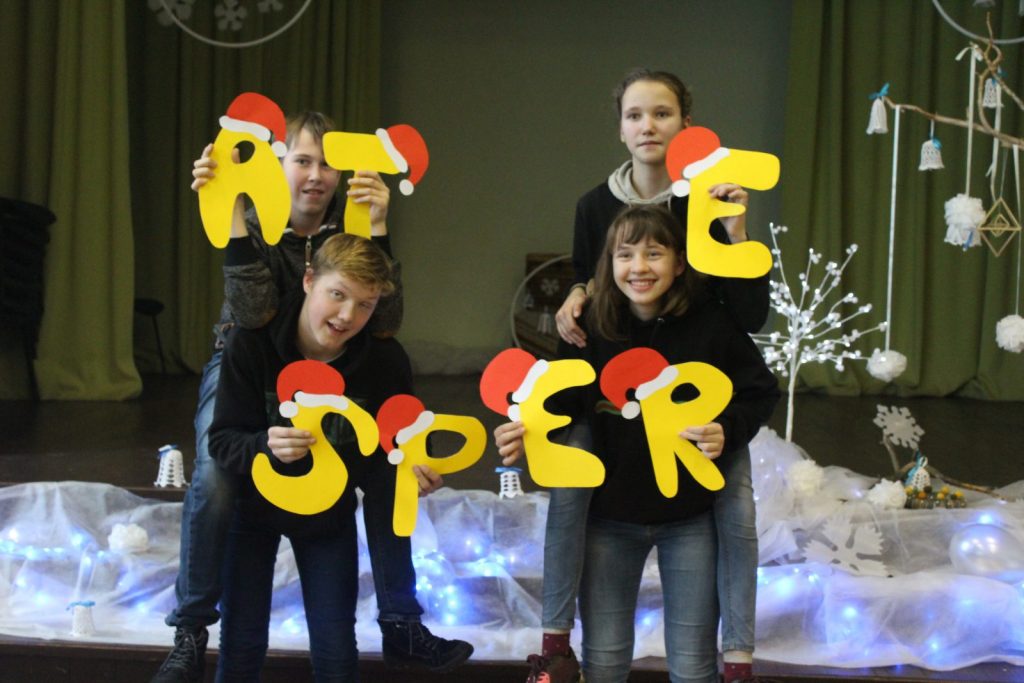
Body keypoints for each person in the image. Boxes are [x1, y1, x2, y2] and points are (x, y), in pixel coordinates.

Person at [152, 112, 472, 682]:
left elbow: (382, 319)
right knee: (215, 475)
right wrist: (227, 200)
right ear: (279, 165)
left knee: (391, 467)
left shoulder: (350, 231)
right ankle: (190, 630)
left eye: (328, 164)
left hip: (332, 369)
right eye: (303, 160)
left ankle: (401, 621)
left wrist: (377, 226)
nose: (317, 174)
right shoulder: (254, 219)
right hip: (249, 357)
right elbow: (252, 314)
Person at [535, 69, 772, 683]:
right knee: (572, 463)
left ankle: (738, 655)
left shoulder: (707, 197)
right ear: (620, 128)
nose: (648, 126)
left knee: (736, 508)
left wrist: (737, 235)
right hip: (620, 366)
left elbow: (749, 316)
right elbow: (590, 277)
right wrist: (577, 294)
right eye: (635, 115)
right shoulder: (594, 205)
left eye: (662, 114)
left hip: (699, 369)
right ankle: (554, 637)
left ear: (686, 124)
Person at [495, 204, 780, 683]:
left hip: (690, 520)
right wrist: (525, 428)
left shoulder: (712, 323)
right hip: (609, 522)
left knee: (692, 667)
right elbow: (562, 404)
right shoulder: (589, 326)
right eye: (625, 255)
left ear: (679, 263)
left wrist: (727, 427)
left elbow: (760, 391)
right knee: (604, 664)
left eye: (654, 253)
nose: (639, 267)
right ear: (608, 264)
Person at [209, 232, 432, 680]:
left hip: (329, 519)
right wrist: (264, 445)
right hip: (251, 514)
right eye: (338, 295)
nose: (348, 316)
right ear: (309, 279)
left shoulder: (384, 361)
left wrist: (417, 468)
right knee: (241, 644)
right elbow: (222, 440)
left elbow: (398, 442)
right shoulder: (250, 344)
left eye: (365, 305)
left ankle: (402, 624)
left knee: (336, 650)